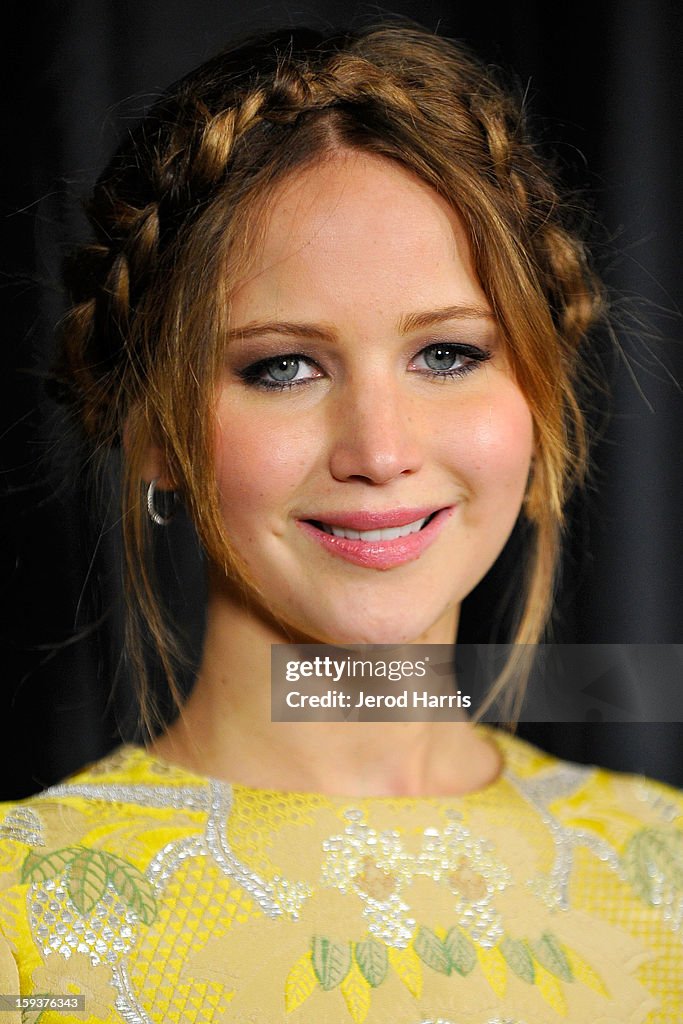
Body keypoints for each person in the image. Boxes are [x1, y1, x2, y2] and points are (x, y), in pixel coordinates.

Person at [0, 22, 681, 1023]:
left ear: (538, 400)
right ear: (151, 428)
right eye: (282, 365)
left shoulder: (662, 871)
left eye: (447, 353)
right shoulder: (23, 916)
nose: (379, 447)